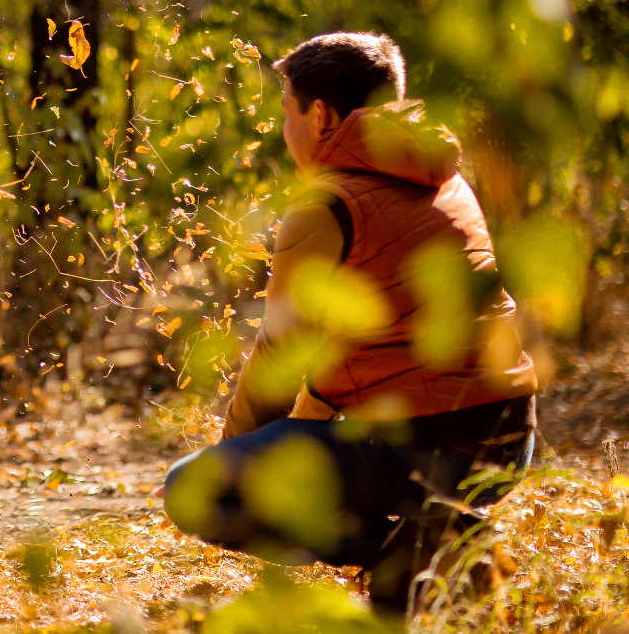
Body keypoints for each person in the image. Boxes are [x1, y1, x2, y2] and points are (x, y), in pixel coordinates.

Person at [162, 31, 539, 616]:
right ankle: (430, 548)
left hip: (429, 446)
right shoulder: (441, 176)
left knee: (191, 488)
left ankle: (422, 552)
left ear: (319, 115)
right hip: (512, 435)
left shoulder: (326, 205)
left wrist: (234, 468)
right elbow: (356, 352)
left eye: (286, 112)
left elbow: (279, 355)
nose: (284, 130)